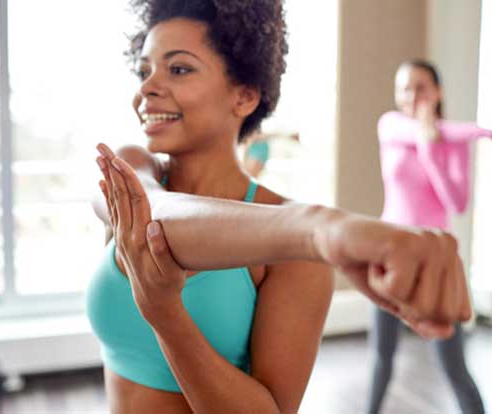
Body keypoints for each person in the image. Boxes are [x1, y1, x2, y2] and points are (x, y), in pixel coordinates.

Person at [87, 2, 471, 413]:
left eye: (178, 69)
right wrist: (318, 228)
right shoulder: (131, 170)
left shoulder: (296, 258)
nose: (146, 87)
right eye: (145, 70)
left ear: (245, 96)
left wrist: (167, 317)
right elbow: (150, 212)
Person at [367, 59, 492, 414]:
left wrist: (432, 149)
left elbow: (458, 203)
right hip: (388, 254)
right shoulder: (390, 126)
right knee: (381, 358)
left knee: (453, 367)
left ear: (437, 92)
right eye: (404, 88)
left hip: (435, 261)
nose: (412, 96)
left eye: (421, 87)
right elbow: (439, 130)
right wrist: (488, 133)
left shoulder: (451, 144)